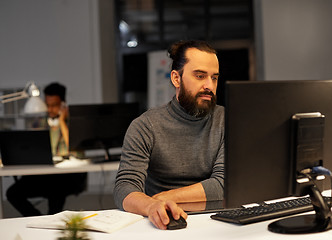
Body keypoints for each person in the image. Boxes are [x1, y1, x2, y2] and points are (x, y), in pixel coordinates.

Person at [114, 40, 224, 229]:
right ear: (176, 78)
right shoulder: (145, 126)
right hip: (162, 224)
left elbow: (224, 185)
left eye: (214, 78)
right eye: (200, 76)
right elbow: (124, 188)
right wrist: (151, 206)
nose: (209, 86)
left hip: (217, 223)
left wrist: (162, 198)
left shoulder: (227, 121)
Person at [6, 82, 87, 216]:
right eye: (47, 105)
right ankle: (38, 219)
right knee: (12, 193)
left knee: (56, 189)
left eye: (54, 105)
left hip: (67, 177)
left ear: (63, 103)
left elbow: (75, 150)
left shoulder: (72, 122)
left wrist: (61, 122)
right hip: (44, 174)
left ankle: (51, 220)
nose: (49, 109)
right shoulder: (40, 122)